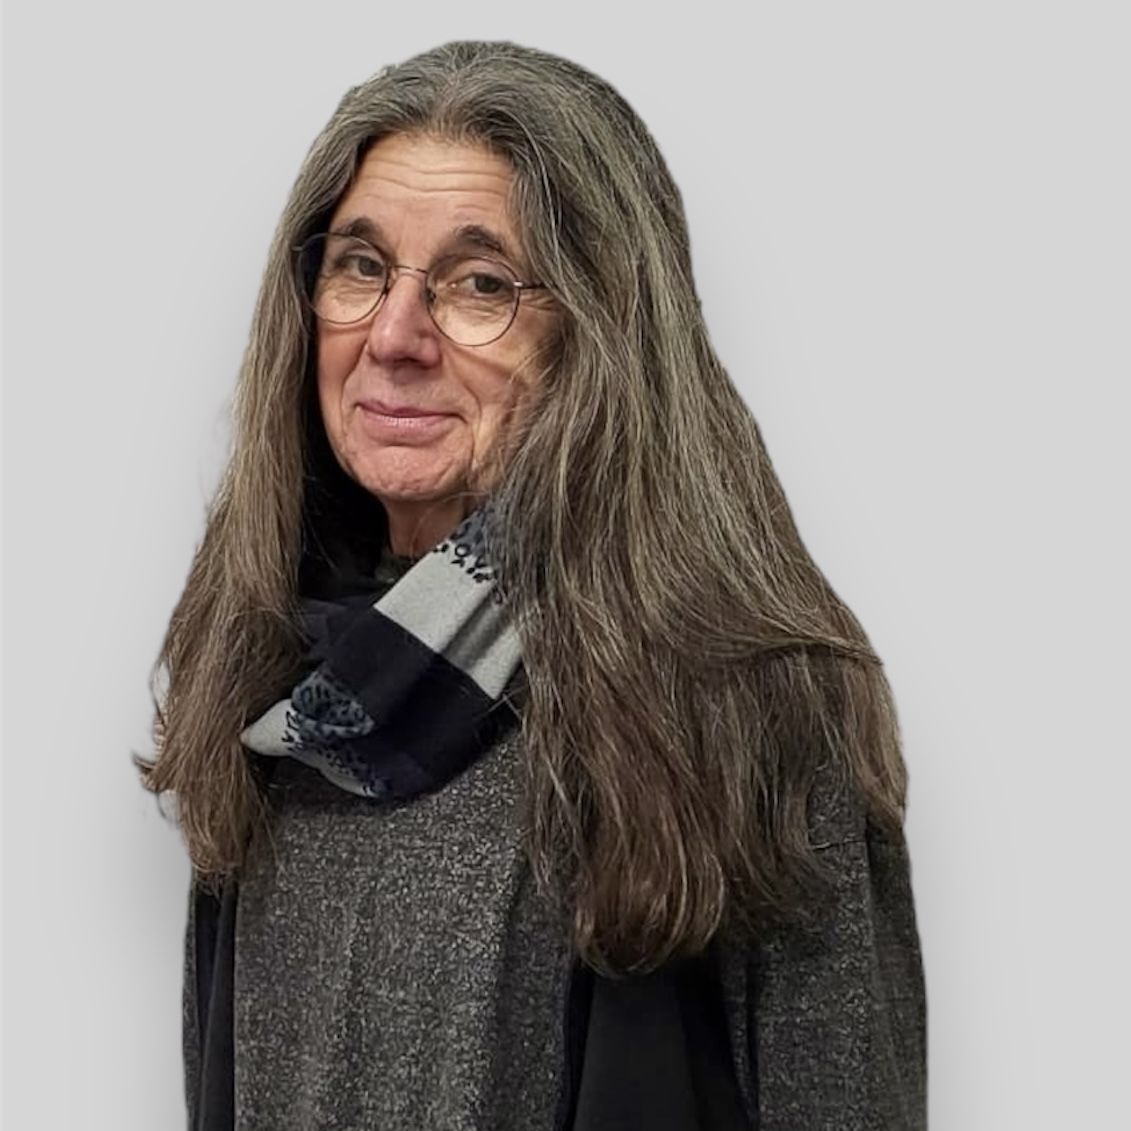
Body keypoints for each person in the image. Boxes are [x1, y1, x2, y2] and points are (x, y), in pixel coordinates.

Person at [139, 39, 927, 1131]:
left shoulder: (748, 703)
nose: (395, 337)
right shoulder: (275, 682)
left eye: (481, 285)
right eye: (360, 266)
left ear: (599, 334)